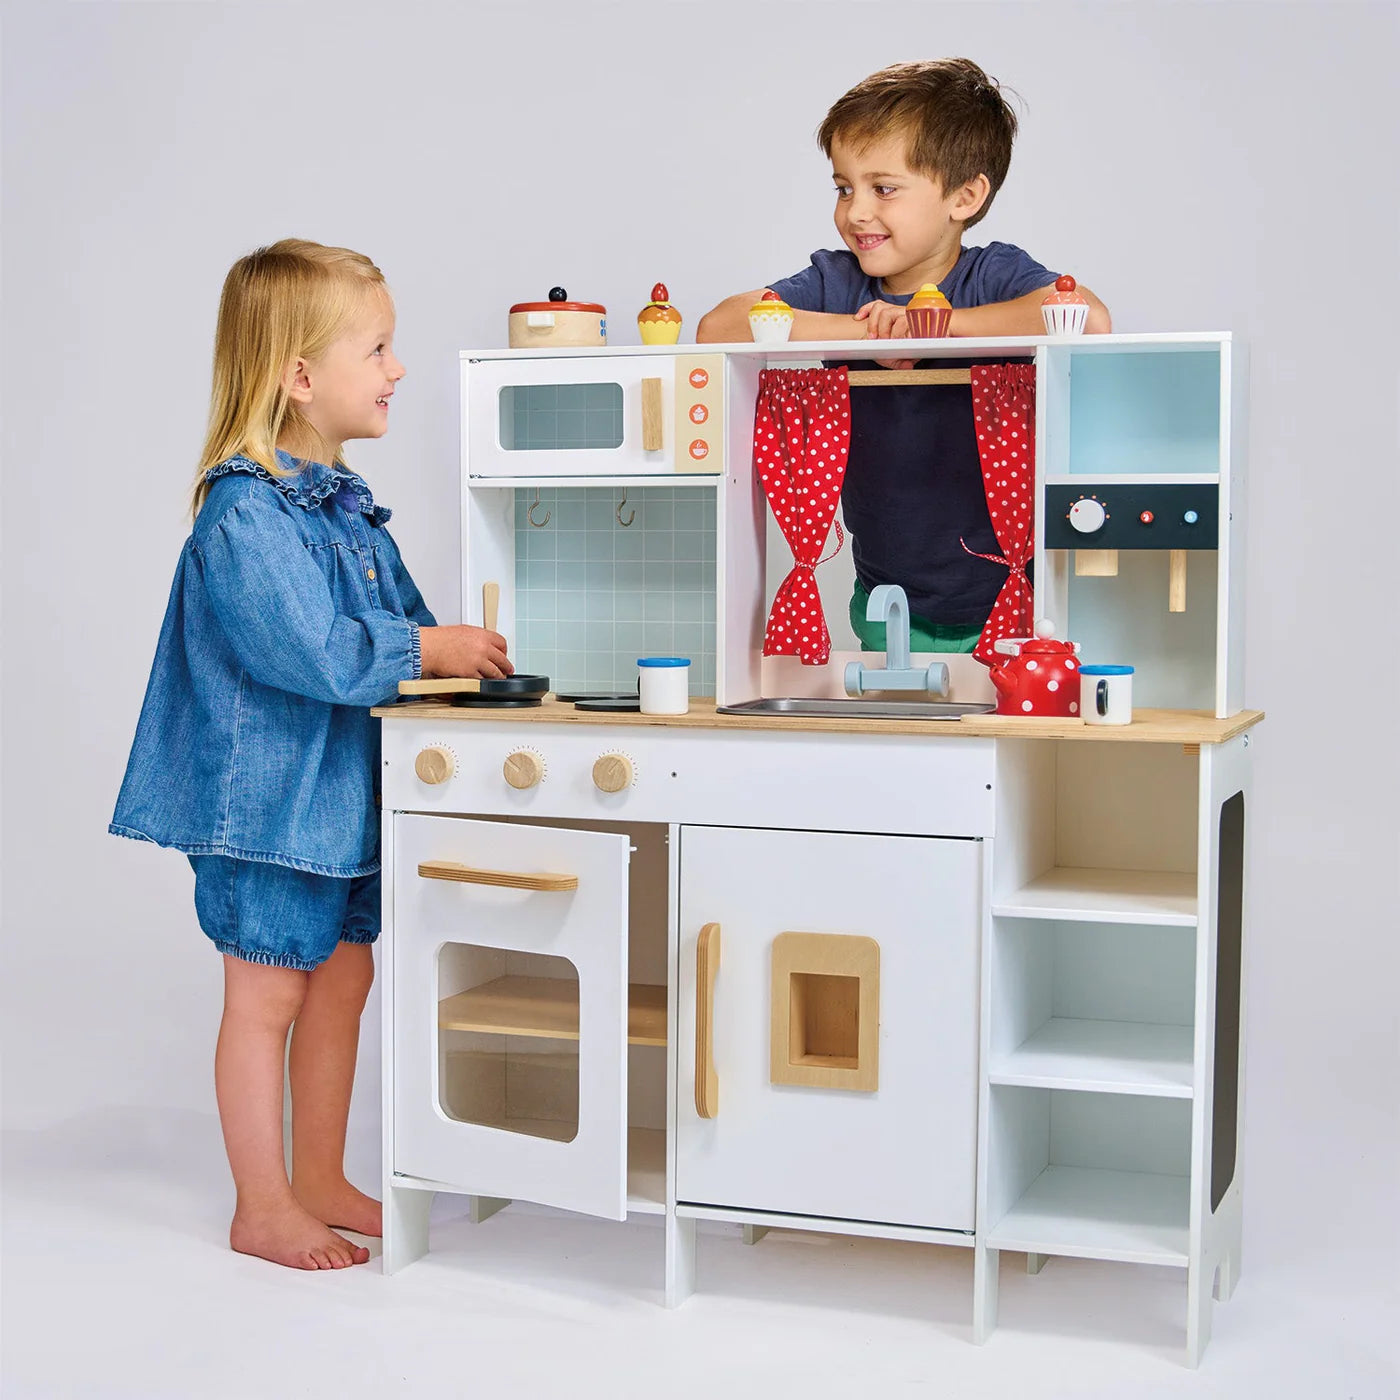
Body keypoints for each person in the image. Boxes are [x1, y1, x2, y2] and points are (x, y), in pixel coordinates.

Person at [110, 240, 512, 1269]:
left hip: (341, 800)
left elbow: (408, 625)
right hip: (267, 808)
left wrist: (463, 659)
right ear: (298, 375)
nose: (397, 368)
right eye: (376, 348)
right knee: (267, 997)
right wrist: (427, 650)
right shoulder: (244, 515)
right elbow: (317, 651)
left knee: (342, 980)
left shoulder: (347, 509)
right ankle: (262, 1203)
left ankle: (320, 1176)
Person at [698, 58, 1111, 653]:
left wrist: (938, 325)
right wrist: (867, 332)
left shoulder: (992, 276)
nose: (856, 212)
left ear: (965, 196)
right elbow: (720, 326)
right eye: (844, 188)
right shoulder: (839, 282)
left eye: (883, 189)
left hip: (1011, 601)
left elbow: (1088, 318)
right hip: (883, 600)